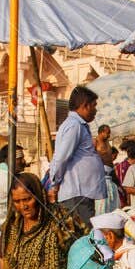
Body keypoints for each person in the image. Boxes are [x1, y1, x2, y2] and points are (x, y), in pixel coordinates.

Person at [48, 85, 105, 224]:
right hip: (77, 194)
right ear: (85, 106)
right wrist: (54, 183)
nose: (95, 110)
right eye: (94, 105)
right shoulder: (74, 125)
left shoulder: (78, 125)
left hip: (82, 194)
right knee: (82, 238)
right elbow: (61, 157)